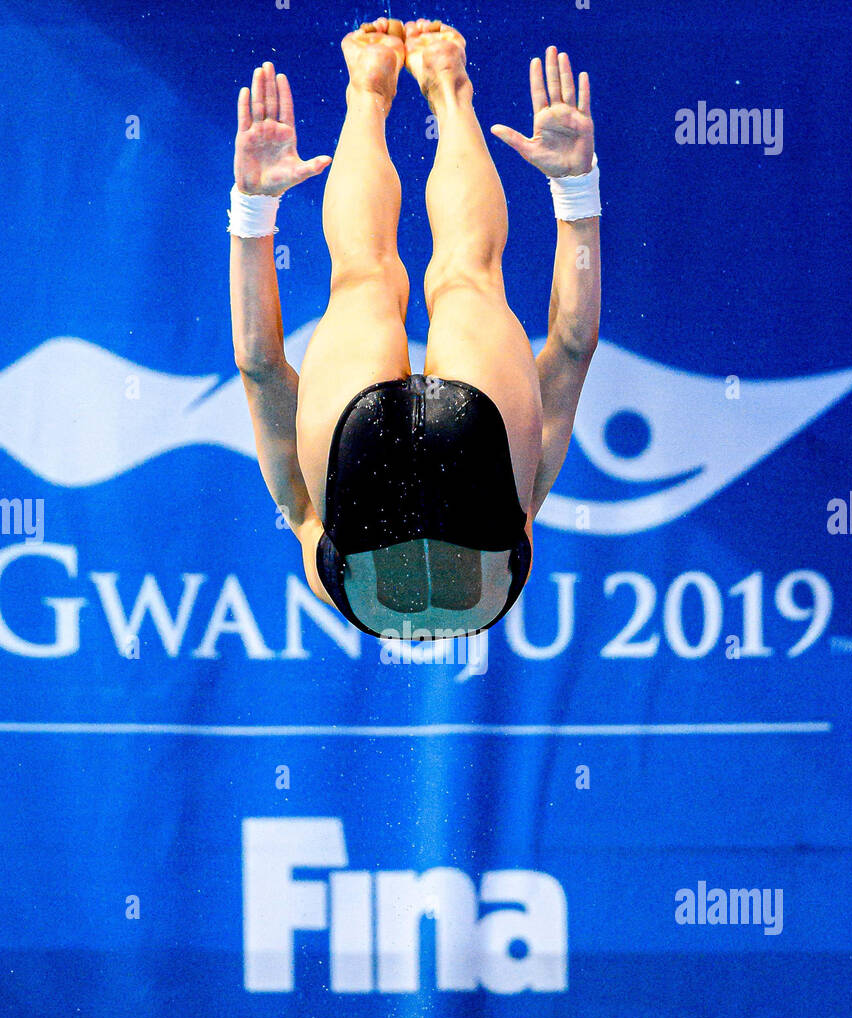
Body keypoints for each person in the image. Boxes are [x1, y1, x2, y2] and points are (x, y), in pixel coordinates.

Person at [228, 19, 601, 641]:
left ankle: (449, 87)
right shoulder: (320, 553)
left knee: (468, 275)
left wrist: (575, 190)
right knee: (363, 275)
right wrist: (253, 206)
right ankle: (371, 90)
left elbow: (572, 347)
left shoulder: (516, 531)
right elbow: (258, 364)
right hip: (358, 475)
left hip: (482, 505)